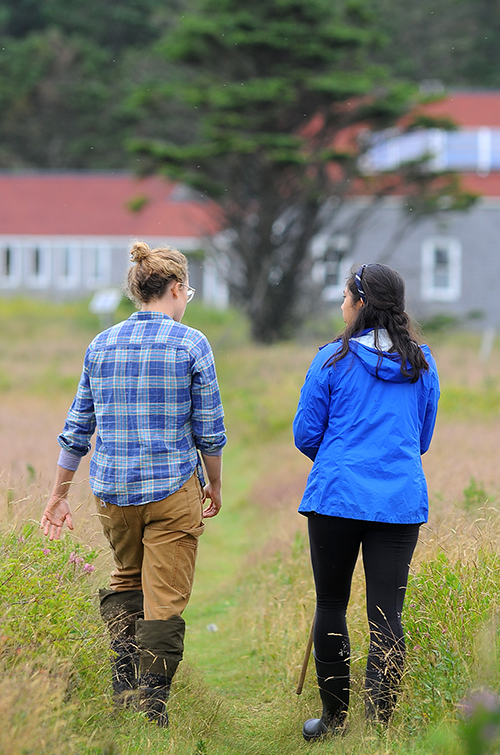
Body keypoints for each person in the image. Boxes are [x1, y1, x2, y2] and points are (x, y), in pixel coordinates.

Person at [41, 240, 226, 727]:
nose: (187, 299)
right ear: (174, 289)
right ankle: (153, 705)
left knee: (126, 577)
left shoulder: (100, 344)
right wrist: (214, 484)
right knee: (164, 596)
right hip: (172, 489)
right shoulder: (191, 344)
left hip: (112, 494)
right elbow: (209, 429)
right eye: (186, 291)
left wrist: (58, 495)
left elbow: (77, 427)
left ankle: (124, 685)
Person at [293, 263, 439, 741]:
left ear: (359, 303)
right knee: (387, 616)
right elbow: (421, 438)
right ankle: (377, 731)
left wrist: (340, 458)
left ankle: (334, 723)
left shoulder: (331, 360)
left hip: (336, 497)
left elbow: (305, 434)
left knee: (331, 604)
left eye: (343, 296)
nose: (340, 304)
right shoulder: (422, 363)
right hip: (397, 502)